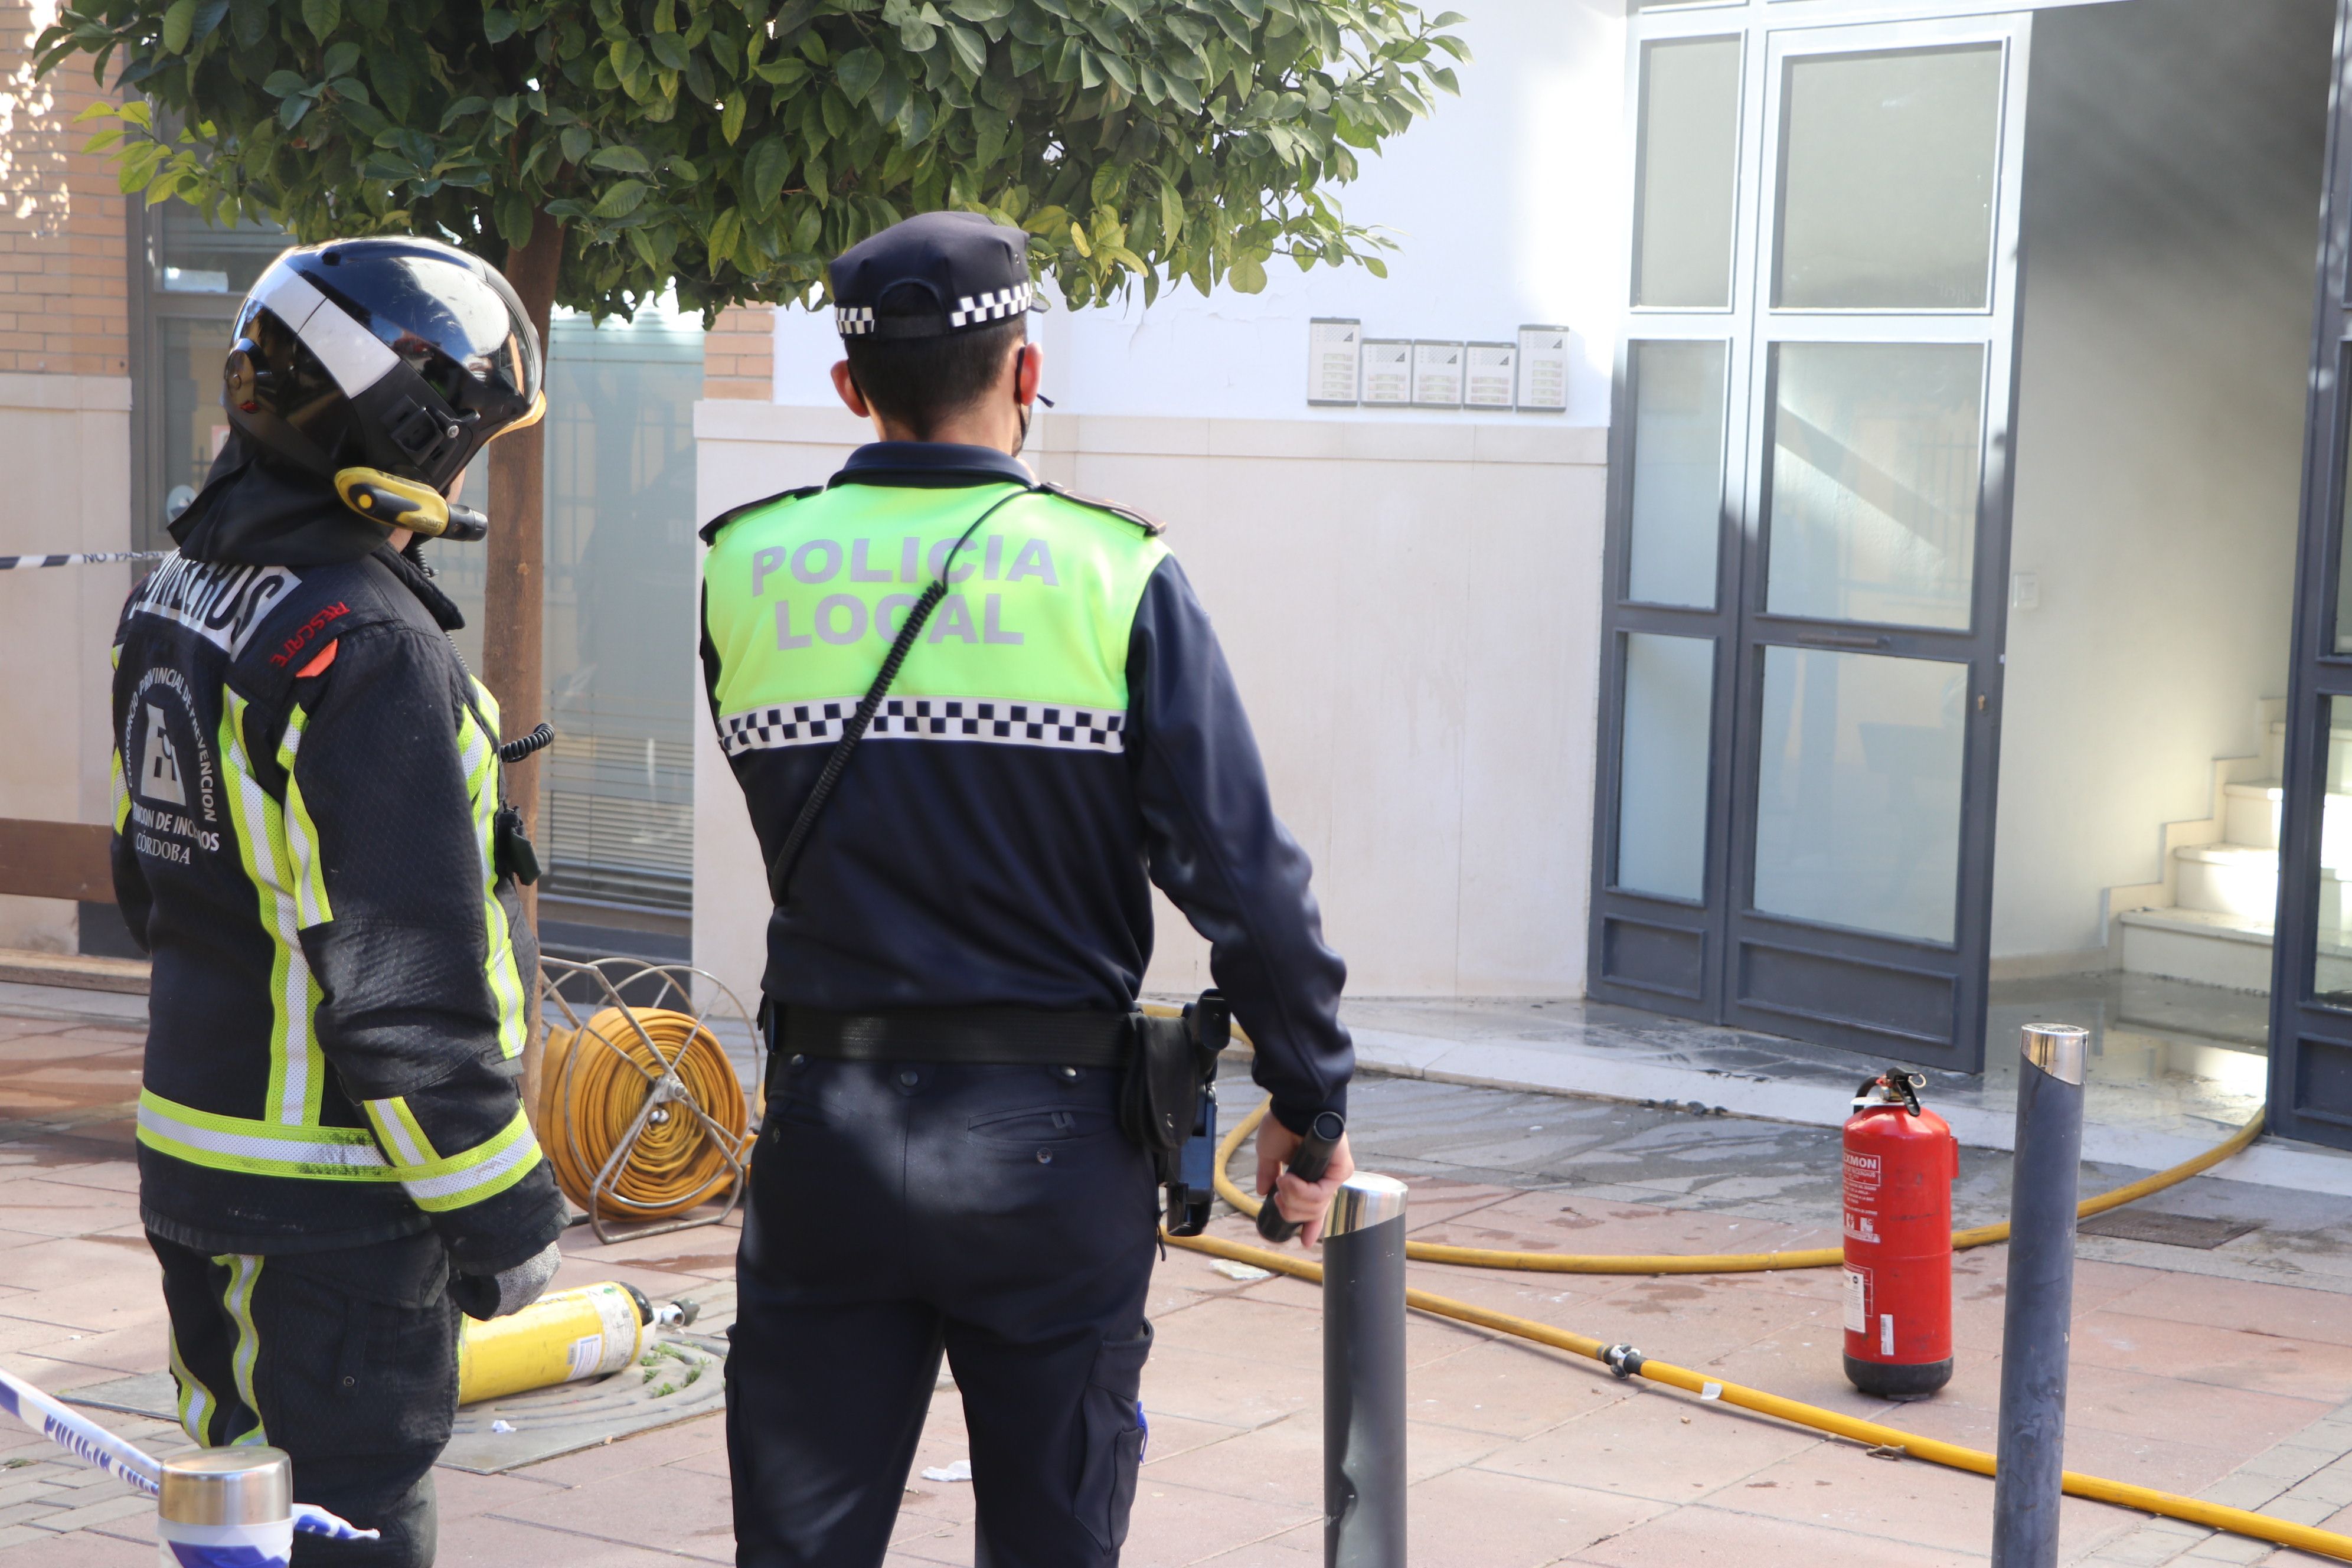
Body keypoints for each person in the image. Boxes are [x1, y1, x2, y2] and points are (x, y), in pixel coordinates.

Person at [701, 210, 1357, 1568]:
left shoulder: (741, 565)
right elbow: (1244, 874)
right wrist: (1311, 1096)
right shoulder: (1113, 570)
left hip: (826, 1121)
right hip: (1052, 1147)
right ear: (1024, 372)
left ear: (849, 388)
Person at [109, 236, 569, 1567]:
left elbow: (152, 875)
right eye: (465, 438)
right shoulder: (365, 644)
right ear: (398, 427)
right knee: (342, 1523)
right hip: (333, 1208)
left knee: (240, 1513)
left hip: (200, 1162)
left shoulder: (181, 593)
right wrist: (503, 1218)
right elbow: (405, 991)